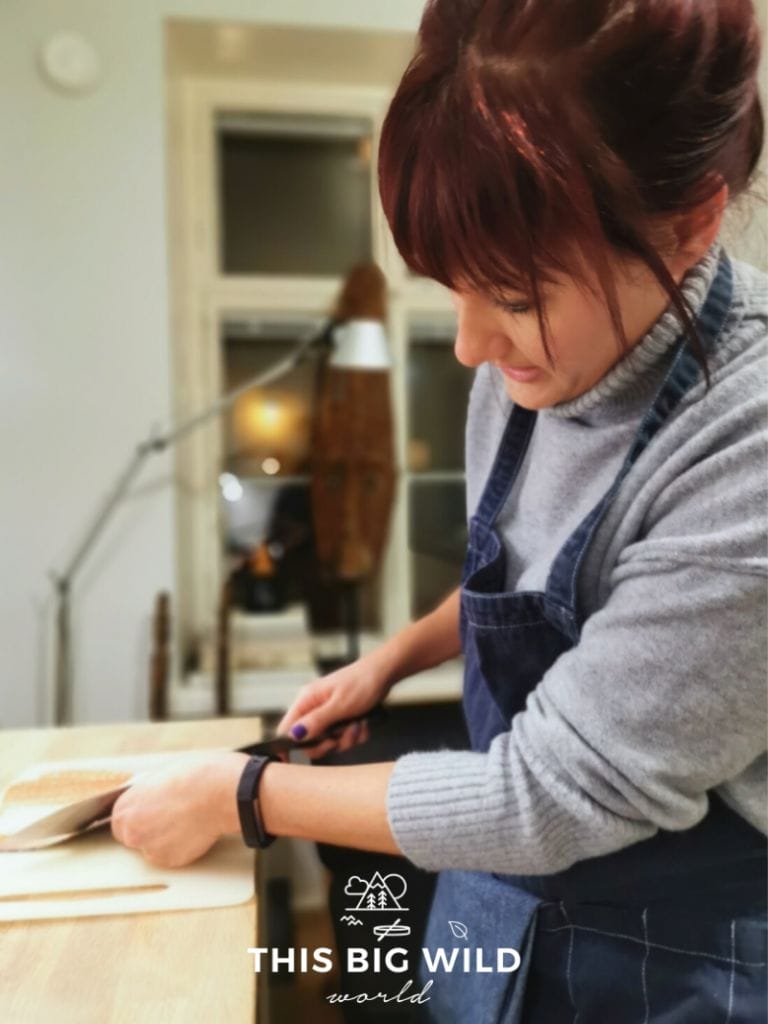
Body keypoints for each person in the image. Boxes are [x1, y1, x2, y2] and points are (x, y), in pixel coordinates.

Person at [111, 1, 767, 1019]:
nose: (469, 345)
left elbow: (556, 791)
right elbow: (537, 579)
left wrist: (243, 794)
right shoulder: (526, 374)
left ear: (687, 225)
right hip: (497, 904)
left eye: (512, 293)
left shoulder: (745, 444)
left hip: (672, 963)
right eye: (450, 286)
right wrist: (390, 660)